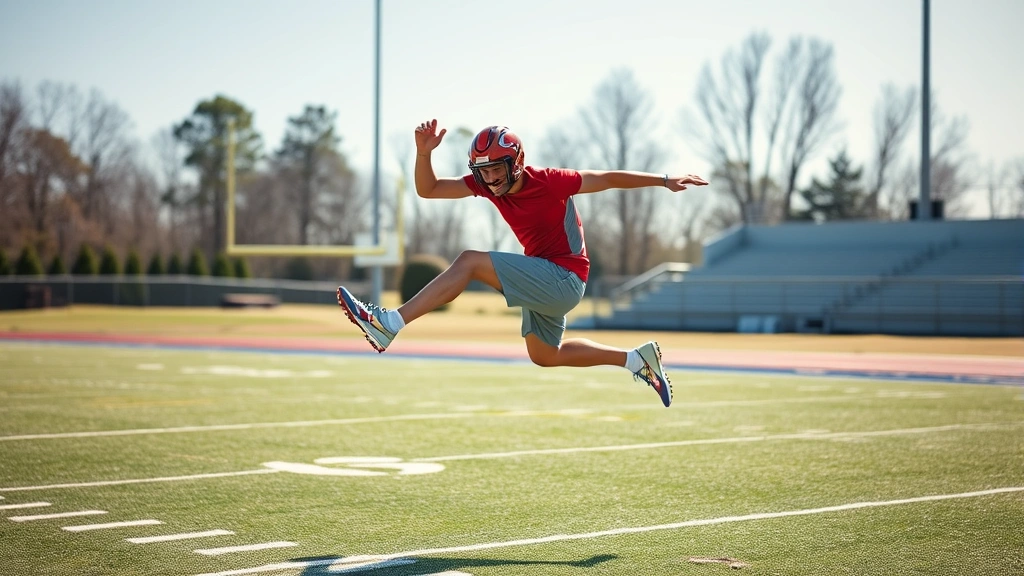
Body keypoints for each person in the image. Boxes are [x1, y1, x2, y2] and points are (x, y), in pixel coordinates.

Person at [337, 119, 708, 407]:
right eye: (483, 171)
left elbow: (607, 178)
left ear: (517, 161)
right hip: (543, 277)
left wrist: (664, 180)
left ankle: (390, 323)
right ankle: (635, 360)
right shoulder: (485, 185)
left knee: (468, 261)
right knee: (545, 355)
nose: (491, 177)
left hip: (563, 278)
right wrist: (423, 154)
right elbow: (428, 189)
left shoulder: (550, 181)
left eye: (497, 168)